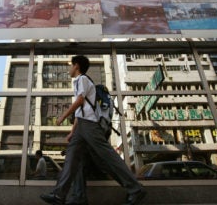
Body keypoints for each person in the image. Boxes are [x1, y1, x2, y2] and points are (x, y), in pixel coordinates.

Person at [40, 55, 146, 205]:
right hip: (82, 125)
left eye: (71, 65)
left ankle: (135, 188)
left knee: (107, 156)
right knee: (72, 158)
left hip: (90, 124)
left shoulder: (82, 79)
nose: (69, 69)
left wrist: (62, 116)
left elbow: (80, 101)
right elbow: (80, 112)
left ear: (76, 66)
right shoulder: (78, 82)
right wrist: (72, 132)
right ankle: (60, 195)